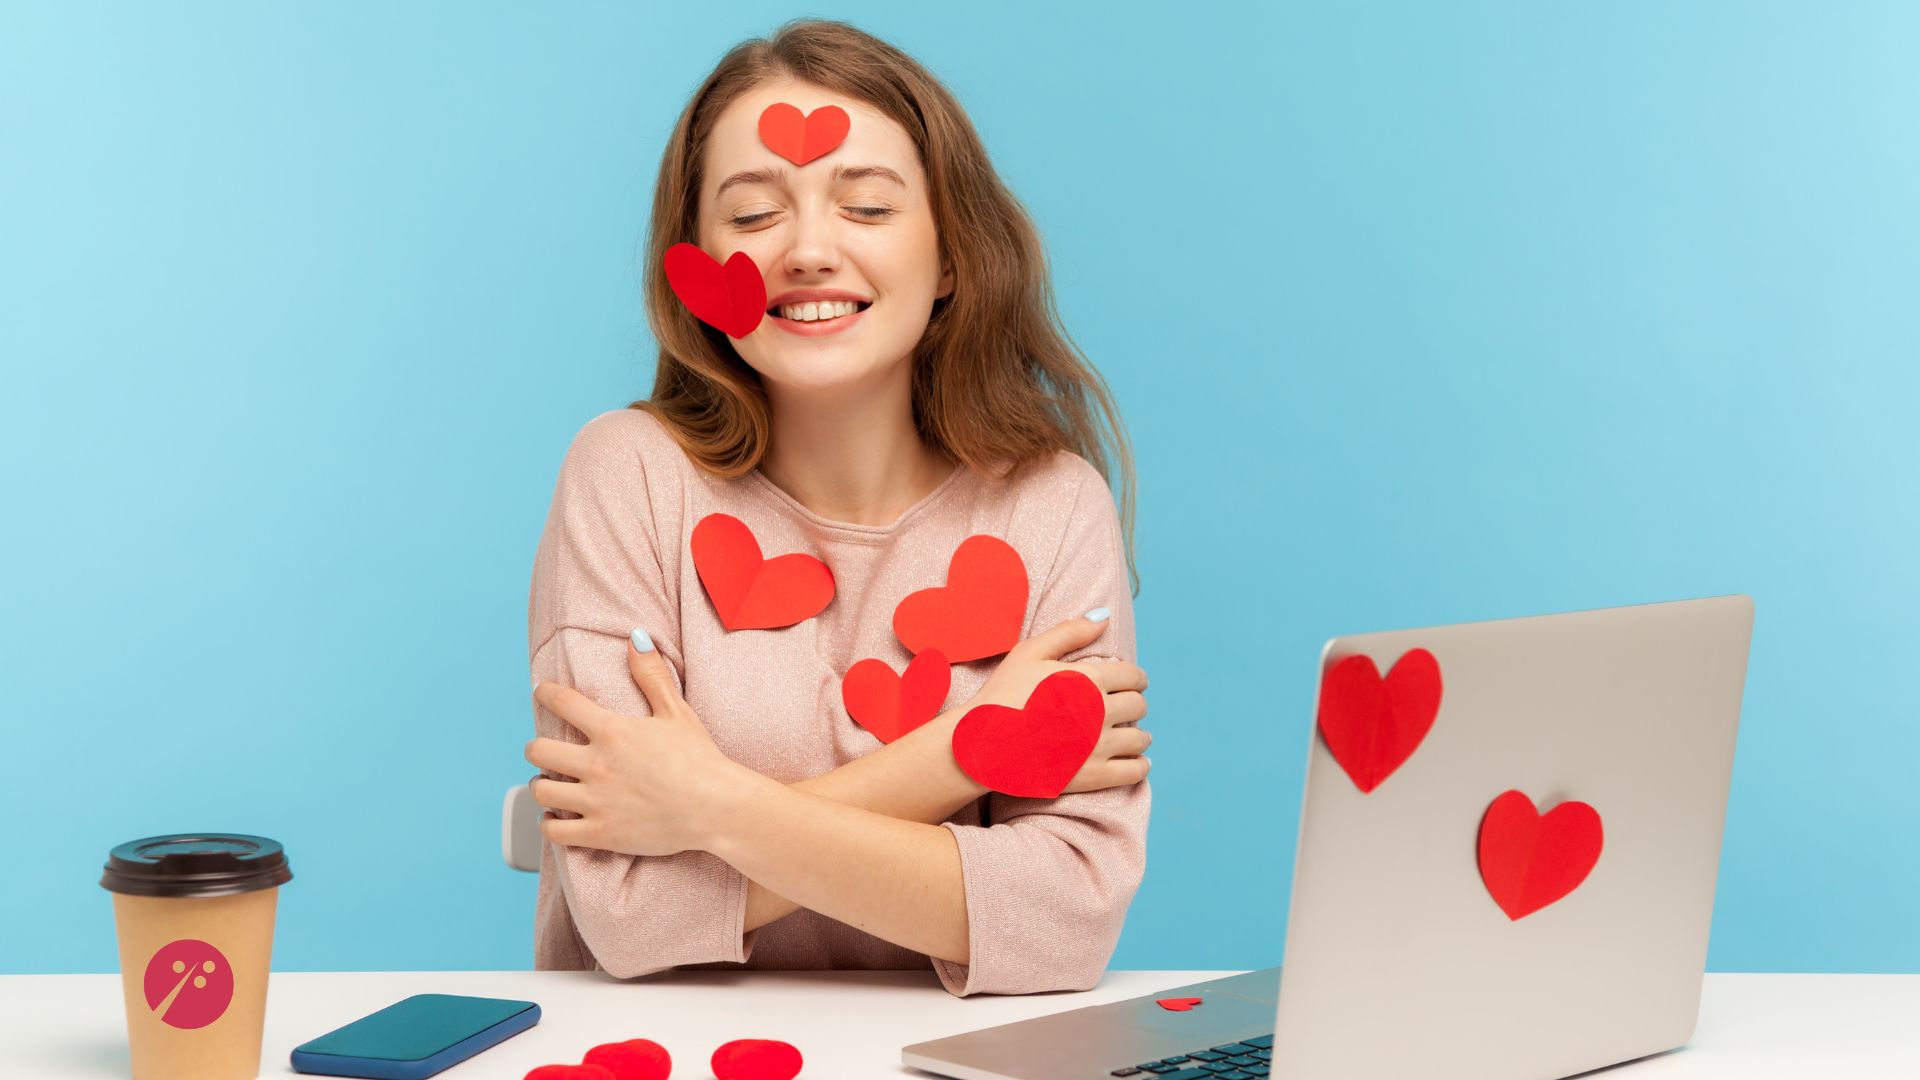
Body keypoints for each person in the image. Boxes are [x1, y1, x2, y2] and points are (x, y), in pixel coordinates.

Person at [522, 18, 1150, 998]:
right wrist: (966, 749)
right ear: (695, 270)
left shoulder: (1051, 506)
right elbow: (633, 914)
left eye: (865, 206)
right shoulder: (629, 476)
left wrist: (709, 806)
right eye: (753, 215)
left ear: (950, 259)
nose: (809, 250)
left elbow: (1064, 923)